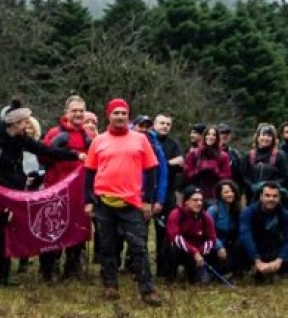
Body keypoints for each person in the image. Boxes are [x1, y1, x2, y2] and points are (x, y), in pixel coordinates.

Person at [0, 99, 83, 286]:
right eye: (25, 122)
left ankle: (6, 273)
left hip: (16, 188)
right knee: (1, 230)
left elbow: (45, 150)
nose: (28, 125)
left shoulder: (20, 139)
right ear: (16, 123)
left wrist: (74, 155)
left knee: (12, 229)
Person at [83, 98, 162, 306]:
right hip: (104, 203)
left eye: (123, 113)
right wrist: (88, 201)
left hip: (132, 203)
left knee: (139, 247)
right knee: (107, 247)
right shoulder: (98, 141)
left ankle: (147, 289)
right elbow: (89, 173)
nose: (119, 116)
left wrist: (148, 200)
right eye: (115, 113)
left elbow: (152, 170)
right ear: (108, 115)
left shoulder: (140, 139)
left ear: (128, 116)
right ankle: (110, 284)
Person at [39, 94, 94, 281]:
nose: (78, 114)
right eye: (74, 111)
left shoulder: (88, 135)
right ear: (66, 112)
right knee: (53, 229)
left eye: (81, 111)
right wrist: (60, 150)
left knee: (77, 229)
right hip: (56, 188)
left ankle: (72, 268)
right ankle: (48, 268)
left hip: (79, 191)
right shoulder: (55, 133)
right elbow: (43, 158)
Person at [239, 182, 288, 282]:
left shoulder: (285, 215)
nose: (271, 199)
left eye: (275, 196)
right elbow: (245, 235)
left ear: (279, 198)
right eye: (267, 195)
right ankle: (245, 270)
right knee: (239, 243)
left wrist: (279, 260)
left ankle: (277, 272)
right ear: (261, 197)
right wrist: (256, 260)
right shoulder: (248, 212)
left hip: (272, 247)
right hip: (255, 248)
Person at [152, 112, 185, 277]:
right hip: (146, 193)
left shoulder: (174, 144)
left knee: (163, 233)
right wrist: (167, 163)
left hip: (167, 194)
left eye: (168, 124)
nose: (165, 126)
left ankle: (163, 269)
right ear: (154, 125)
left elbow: (180, 164)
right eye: (162, 123)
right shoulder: (147, 140)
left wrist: (164, 164)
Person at [164, 185, 217, 284]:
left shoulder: (206, 216)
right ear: (186, 201)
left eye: (201, 200)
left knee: (203, 282)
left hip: (198, 253)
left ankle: (191, 273)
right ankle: (171, 275)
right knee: (171, 248)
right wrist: (194, 252)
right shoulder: (175, 214)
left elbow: (211, 239)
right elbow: (176, 238)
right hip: (180, 250)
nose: (199, 203)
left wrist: (199, 252)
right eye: (195, 200)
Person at [240, 123, 288, 204]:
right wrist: (252, 186)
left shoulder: (280, 156)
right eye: (263, 135)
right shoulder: (248, 155)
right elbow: (242, 176)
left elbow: (285, 178)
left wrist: (268, 186)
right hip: (253, 198)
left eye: (269, 136)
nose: (265, 138)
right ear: (258, 137)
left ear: (273, 139)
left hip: (273, 200)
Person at [183, 125, 232, 206]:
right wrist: (198, 172)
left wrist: (215, 172)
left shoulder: (223, 156)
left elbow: (227, 177)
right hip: (196, 192)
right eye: (208, 134)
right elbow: (187, 174)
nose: (210, 137)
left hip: (215, 194)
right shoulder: (193, 154)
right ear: (204, 136)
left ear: (217, 138)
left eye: (213, 135)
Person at [206, 179, 244, 277]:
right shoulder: (213, 210)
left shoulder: (238, 210)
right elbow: (208, 232)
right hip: (214, 247)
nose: (230, 194)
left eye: (232, 191)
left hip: (230, 246)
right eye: (226, 192)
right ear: (220, 194)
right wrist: (219, 247)